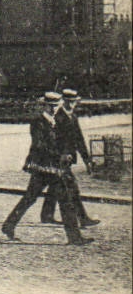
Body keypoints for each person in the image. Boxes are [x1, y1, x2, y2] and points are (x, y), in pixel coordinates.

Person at [1, 92, 90, 245]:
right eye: (51, 106)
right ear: (45, 105)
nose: (54, 109)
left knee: (62, 199)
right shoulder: (37, 122)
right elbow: (39, 145)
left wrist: (66, 153)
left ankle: (74, 237)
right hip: (41, 166)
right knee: (31, 197)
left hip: (54, 167)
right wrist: (59, 156)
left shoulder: (57, 121)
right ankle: (9, 225)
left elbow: (64, 141)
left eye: (57, 106)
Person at [42, 88, 101, 228]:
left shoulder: (72, 116)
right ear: (64, 101)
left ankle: (46, 215)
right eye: (69, 102)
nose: (71, 104)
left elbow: (79, 139)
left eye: (74, 102)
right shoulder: (57, 116)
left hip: (65, 158)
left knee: (54, 185)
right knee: (72, 188)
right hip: (59, 158)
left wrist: (86, 159)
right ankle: (83, 218)